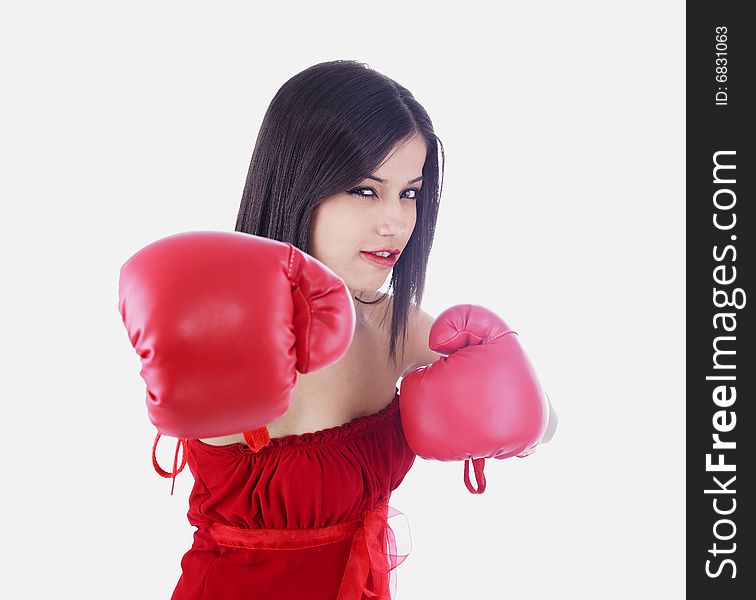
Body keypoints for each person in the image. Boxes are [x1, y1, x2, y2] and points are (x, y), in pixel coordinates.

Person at [119, 59, 557, 600]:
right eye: (366, 191)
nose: (395, 222)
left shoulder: (391, 323)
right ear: (301, 185)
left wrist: (519, 403)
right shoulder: (233, 324)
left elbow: (544, 422)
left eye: (411, 192)